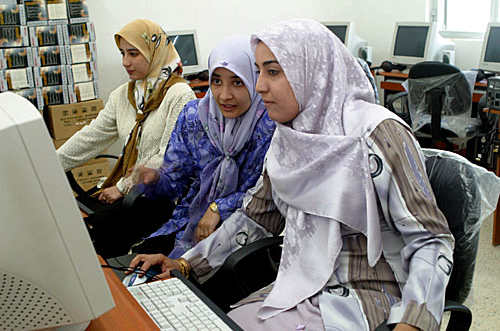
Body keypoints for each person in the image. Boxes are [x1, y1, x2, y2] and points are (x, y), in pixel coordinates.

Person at [129, 20, 455, 331]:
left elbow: (431, 239)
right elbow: (255, 219)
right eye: (258, 72)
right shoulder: (287, 138)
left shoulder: (375, 135)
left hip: (370, 296)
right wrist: (186, 264)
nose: (259, 86)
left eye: (273, 71)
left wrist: (414, 321)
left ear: (311, 72)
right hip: (298, 285)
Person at [57, 19, 196, 257]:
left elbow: (169, 155)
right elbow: (92, 136)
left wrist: (123, 186)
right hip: (130, 191)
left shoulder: (180, 95)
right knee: (71, 220)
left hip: (158, 197)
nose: (125, 62)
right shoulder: (124, 95)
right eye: (122, 53)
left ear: (155, 52)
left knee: (97, 229)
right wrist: (48, 164)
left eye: (133, 53)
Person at [131, 35, 275, 259]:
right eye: (216, 81)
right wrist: (155, 178)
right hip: (189, 224)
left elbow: (267, 193)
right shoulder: (194, 117)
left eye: (237, 82)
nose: (224, 95)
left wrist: (219, 207)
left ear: (253, 79)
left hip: (243, 235)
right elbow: (174, 182)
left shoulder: (270, 123)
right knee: (137, 272)